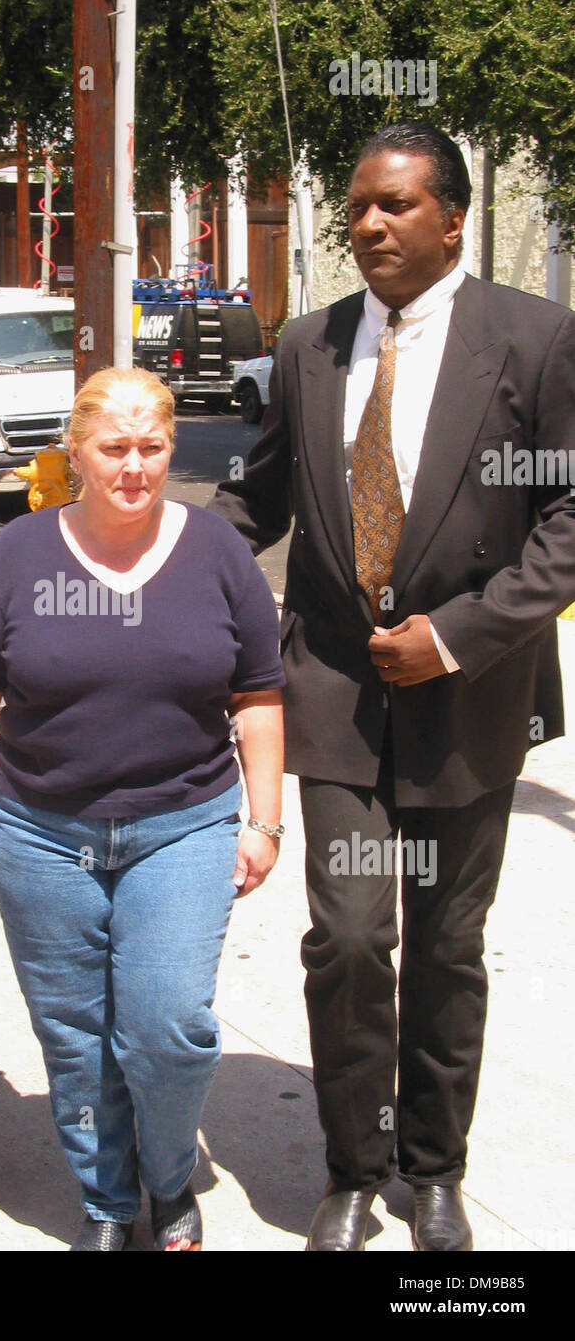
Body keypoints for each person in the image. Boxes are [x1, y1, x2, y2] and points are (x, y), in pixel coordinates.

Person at [210, 122, 575, 1252]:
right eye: (356, 206)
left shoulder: (535, 338)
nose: (365, 224)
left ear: (452, 217)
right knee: (352, 939)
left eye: (392, 206)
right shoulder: (307, 344)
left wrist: (457, 635)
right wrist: (150, 567)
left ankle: (434, 1169)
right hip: (329, 689)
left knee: (448, 945)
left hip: (470, 695)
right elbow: (254, 502)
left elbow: (566, 514)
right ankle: (352, 1165)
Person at [0, 365, 285, 1251]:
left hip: (184, 824)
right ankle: (105, 1199)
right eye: (114, 448)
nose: (135, 466)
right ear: (76, 452)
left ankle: (168, 1179)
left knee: (170, 1025)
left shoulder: (218, 553)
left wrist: (266, 817)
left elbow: (259, 695)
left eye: (153, 447)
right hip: (37, 833)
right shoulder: (19, 553)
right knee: (75, 1032)